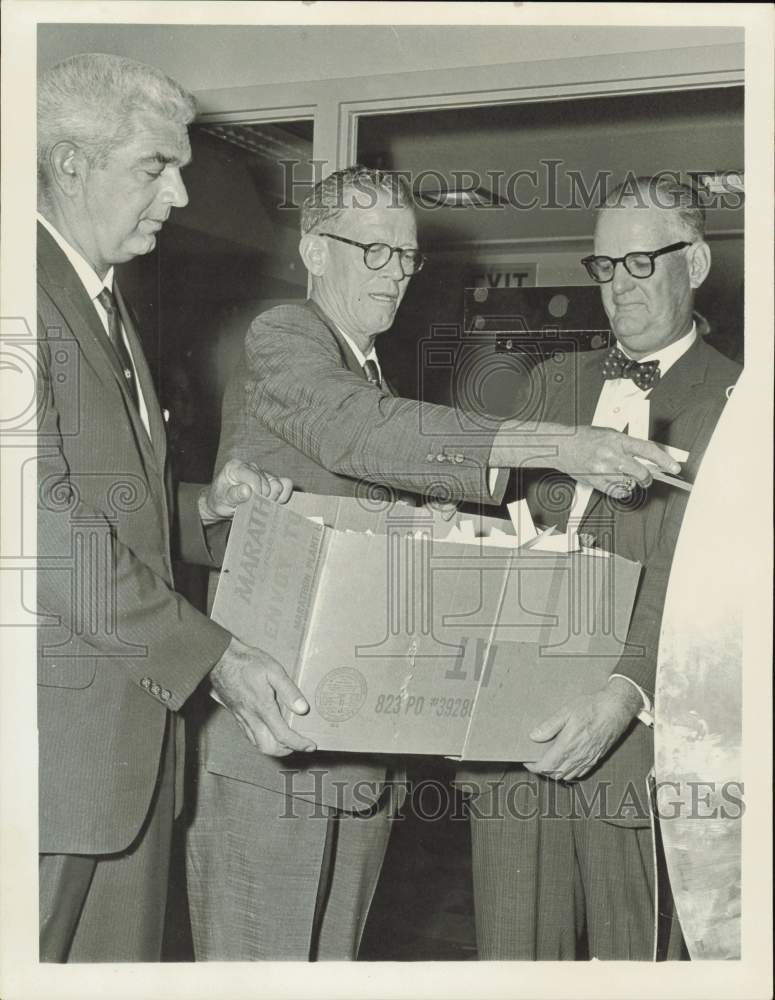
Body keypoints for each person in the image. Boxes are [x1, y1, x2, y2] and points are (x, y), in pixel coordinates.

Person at [185, 164, 682, 961]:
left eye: (405, 257)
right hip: (270, 750)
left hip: (353, 752)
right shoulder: (287, 335)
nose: (394, 276)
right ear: (315, 251)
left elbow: (362, 499)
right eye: (371, 252)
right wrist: (560, 446)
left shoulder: (368, 362)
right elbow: (360, 433)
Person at [36, 53, 311, 963]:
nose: (182, 194)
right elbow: (37, 530)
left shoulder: (103, 299)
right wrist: (214, 655)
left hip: (123, 758)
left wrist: (203, 513)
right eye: (156, 166)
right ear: (69, 163)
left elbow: (102, 497)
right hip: (50, 766)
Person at [461, 176, 742, 960]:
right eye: (604, 266)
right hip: (515, 739)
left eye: (640, 264)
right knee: (512, 961)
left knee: (636, 965)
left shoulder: (743, 401)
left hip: (640, 756)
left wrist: (624, 692)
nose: (617, 287)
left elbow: (711, 586)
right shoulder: (553, 382)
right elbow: (494, 536)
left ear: (694, 261)